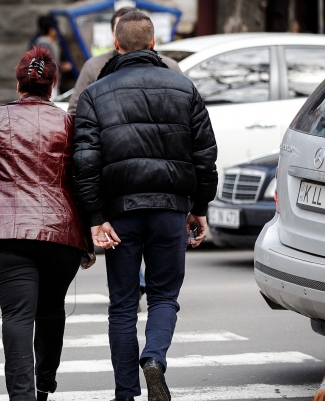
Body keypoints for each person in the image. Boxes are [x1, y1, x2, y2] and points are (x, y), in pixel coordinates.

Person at [72, 11, 217, 401]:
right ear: (153, 44)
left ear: (115, 46)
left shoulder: (94, 93)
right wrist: (199, 206)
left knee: (121, 305)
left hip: (119, 215)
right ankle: (154, 359)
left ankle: (125, 393)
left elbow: (84, 163)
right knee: (164, 297)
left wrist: (95, 217)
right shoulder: (184, 88)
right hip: (170, 209)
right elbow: (205, 155)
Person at [0, 46, 87, 401]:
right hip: (61, 232)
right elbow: (82, 179)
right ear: (52, 86)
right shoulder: (68, 122)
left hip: (6, 232)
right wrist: (87, 240)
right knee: (51, 310)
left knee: (17, 315)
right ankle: (45, 382)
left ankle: (22, 396)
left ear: (18, 83)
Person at [66, 6, 182, 115]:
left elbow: (184, 110)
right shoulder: (94, 67)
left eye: (136, 30)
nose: (129, 35)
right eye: (121, 30)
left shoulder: (170, 67)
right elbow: (75, 110)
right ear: (114, 36)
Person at [31, 15, 72, 97]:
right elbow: (45, 66)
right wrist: (61, 67)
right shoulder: (43, 44)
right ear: (51, 30)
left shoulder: (47, 42)